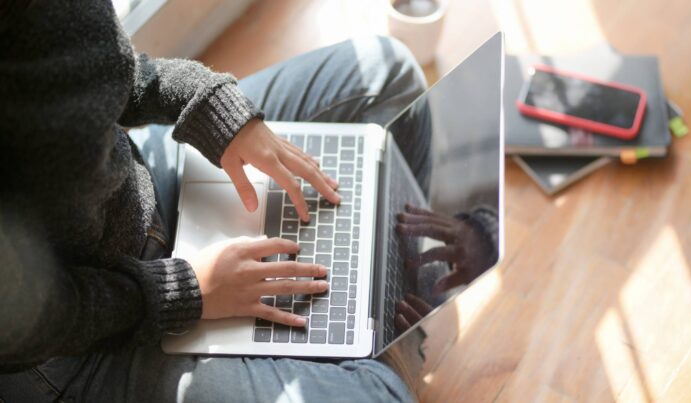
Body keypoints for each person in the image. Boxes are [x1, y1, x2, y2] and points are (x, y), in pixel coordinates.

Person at [0, 0, 426, 401]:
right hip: (78, 340)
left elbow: (99, 70)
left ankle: (378, 308)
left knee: (387, 73)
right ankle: (363, 330)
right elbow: (33, 325)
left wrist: (213, 109)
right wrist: (185, 292)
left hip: (138, 191)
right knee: (382, 394)